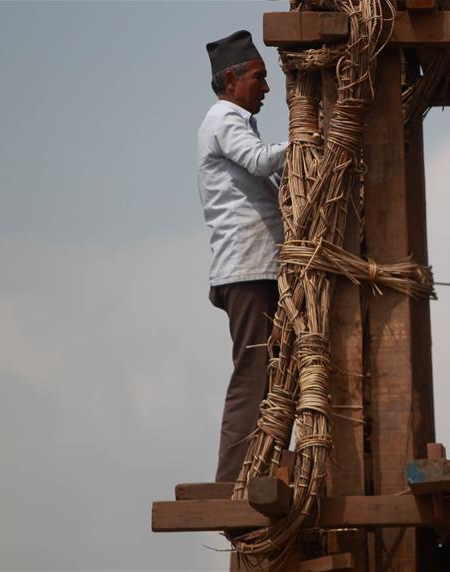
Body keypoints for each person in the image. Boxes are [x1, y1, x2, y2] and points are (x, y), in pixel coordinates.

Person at [197, 30, 287, 482]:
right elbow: (260, 161)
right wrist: (311, 142)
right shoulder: (224, 119)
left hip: (257, 266)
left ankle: (261, 467)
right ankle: (234, 479)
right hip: (247, 268)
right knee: (254, 372)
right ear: (231, 80)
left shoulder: (231, 119)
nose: (267, 88)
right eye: (258, 77)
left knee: (270, 371)